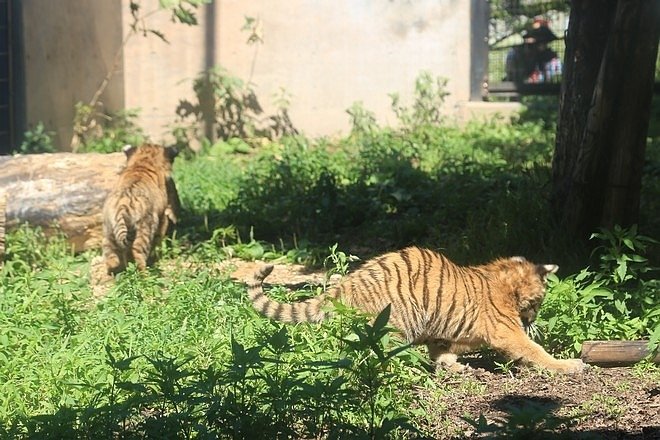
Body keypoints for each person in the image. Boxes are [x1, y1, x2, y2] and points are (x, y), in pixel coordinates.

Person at [505, 18, 562, 84]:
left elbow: (554, 75)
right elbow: (513, 75)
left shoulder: (550, 56)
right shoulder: (515, 53)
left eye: (545, 43)